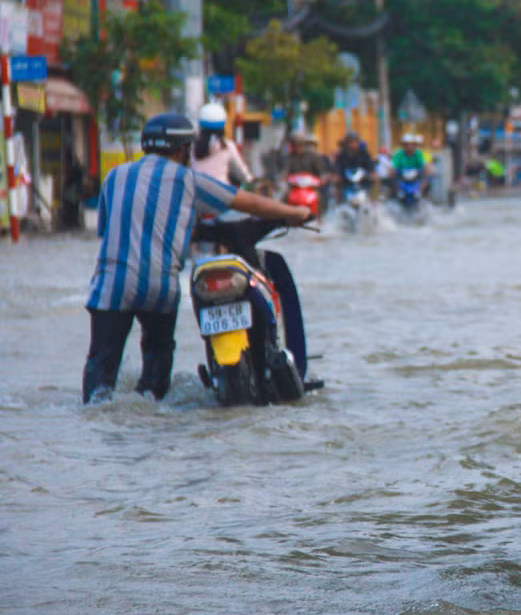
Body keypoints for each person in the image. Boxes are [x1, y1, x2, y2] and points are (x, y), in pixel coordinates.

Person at [82, 113, 312, 405]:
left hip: (110, 286)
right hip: (159, 287)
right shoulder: (188, 180)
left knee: (100, 366)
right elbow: (247, 201)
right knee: (155, 364)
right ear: (182, 149)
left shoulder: (115, 177)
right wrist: (295, 213)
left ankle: (99, 418)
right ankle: (149, 408)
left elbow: (106, 229)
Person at [191, 102, 253, 186]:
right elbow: (244, 175)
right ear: (223, 126)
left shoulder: (192, 145)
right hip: (222, 194)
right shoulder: (227, 146)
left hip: (196, 192)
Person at [333, 132, 374, 202]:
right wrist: (336, 175)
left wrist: (372, 173)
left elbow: (370, 165)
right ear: (347, 143)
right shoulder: (341, 155)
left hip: (363, 181)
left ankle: (374, 202)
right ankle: (338, 202)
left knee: (375, 182)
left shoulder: (364, 154)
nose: (353, 144)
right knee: (337, 185)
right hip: (346, 181)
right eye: (350, 141)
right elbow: (337, 167)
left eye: (355, 141)